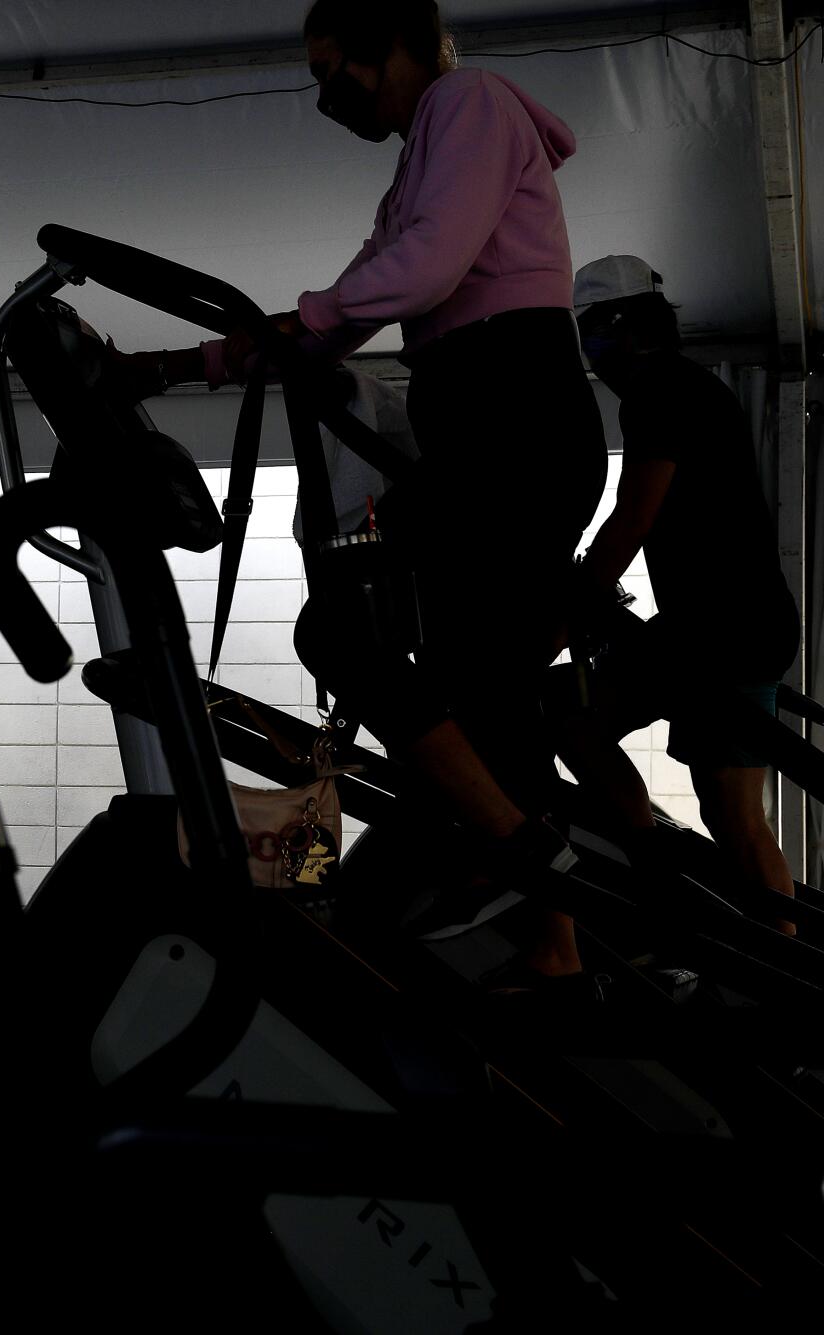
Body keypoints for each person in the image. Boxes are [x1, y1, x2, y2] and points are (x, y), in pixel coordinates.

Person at [121, 0, 607, 972]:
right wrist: (181, 364)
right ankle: (551, 947)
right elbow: (347, 307)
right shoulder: (430, 145)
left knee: (349, 631)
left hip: (509, 412)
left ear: (387, 47)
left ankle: (517, 860)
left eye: (328, 69)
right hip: (486, 415)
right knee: (483, 690)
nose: (322, 94)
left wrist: (282, 332)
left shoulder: (464, 102)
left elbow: (416, 273)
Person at [550, 255, 800, 932]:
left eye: (592, 330)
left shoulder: (660, 392)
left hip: (723, 629)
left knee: (588, 728)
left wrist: (566, 615)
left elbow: (634, 515)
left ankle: (662, 882)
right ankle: (670, 878)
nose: (591, 352)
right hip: (726, 622)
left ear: (626, 324)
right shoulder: (684, 388)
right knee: (725, 808)